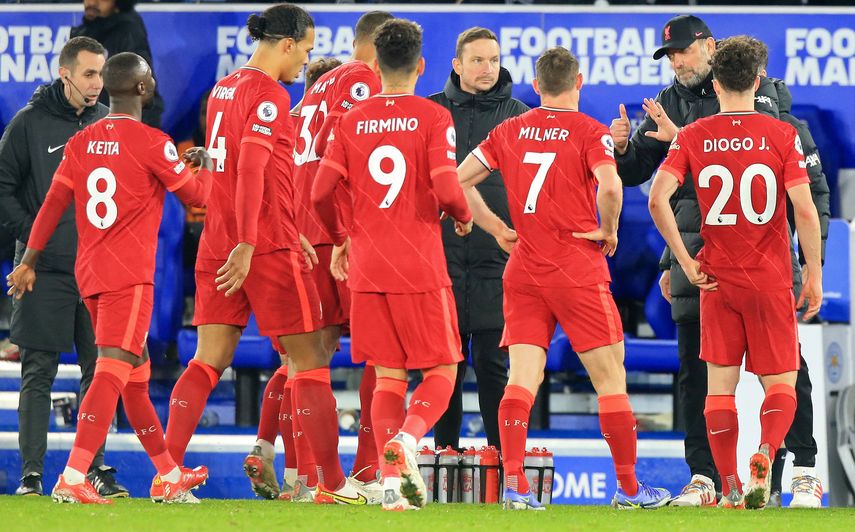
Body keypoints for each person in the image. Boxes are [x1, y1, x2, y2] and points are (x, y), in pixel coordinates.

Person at [162, 4, 378, 506]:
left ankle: (166, 473)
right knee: (309, 364)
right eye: (304, 49)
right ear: (286, 43)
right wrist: (252, 241)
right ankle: (330, 484)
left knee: (207, 361)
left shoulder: (224, 88)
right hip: (258, 248)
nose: (306, 60)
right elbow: (254, 170)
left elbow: (224, 165)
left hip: (220, 241)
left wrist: (274, 231)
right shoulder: (267, 94)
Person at [609, 14, 825, 506]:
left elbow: (657, 197)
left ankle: (728, 484)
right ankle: (765, 455)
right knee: (781, 377)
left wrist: (683, 260)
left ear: (712, 59)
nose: (677, 62)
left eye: (682, 52)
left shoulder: (693, 133)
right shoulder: (777, 131)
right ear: (753, 78)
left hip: (712, 273)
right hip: (769, 273)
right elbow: (808, 209)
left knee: (717, 386)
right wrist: (813, 273)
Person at [456, 46, 670, 511]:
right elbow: (612, 185)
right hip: (576, 269)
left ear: (536, 86)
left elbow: (456, 181)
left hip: (524, 269)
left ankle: (514, 484)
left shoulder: (508, 129)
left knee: (521, 380)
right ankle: (629, 489)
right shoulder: (590, 132)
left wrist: (495, 229)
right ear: (578, 82)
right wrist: (609, 228)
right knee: (610, 380)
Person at [6, 52, 213, 505]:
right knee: (110, 372)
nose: (155, 80)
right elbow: (198, 197)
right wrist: (211, 166)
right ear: (141, 89)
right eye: (150, 77)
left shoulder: (82, 141)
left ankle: (167, 475)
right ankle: (75, 474)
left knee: (135, 379)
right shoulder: (153, 143)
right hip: (129, 277)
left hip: (91, 274)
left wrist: (28, 262)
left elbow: (52, 206)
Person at [312, 18, 477, 511]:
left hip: (367, 265)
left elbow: (320, 192)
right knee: (444, 371)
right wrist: (463, 216)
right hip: (419, 264)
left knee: (388, 378)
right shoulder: (431, 117)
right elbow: (448, 189)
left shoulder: (351, 119)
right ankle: (407, 441)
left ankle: (389, 487)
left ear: (375, 65)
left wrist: (342, 237)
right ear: (421, 66)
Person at [254, 10, 394, 503]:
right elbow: (352, 148)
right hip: (341, 233)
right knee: (384, 351)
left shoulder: (313, 88)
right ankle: (367, 472)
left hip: (304, 230)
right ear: (378, 46)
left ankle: (304, 476)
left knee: (307, 361)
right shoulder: (359, 79)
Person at [0, 36, 128, 499]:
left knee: (100, 370)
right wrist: (33, 238)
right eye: (90, 74)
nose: (98, 84)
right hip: (43, 270)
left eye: (102, 74)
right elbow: (2, 189)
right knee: (39, 371)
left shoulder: (105, 122)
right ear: (65, 74)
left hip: (95, 271)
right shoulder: (28, 125)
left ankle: (91, 468)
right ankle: (31, 475)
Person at [246, 54, 344, 502]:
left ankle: (285, 466)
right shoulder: (343, 119)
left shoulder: (283, 118)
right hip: (330, 243)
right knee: (325, 364)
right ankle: (330, 477)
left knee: (292, 363)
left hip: (286, 246)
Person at [427, 27, 528, 450]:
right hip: (438, 260)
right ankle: (443, 458)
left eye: (493, 60)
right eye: (477, 61)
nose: (488, 69)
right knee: (445, 367)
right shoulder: (429, 112)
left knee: (492, 366)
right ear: (457, 65)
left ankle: (503, 465)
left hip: (497, 258)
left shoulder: (521, 115)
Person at [71, 0, 164, 127]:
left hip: (121, 130)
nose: (92, 2)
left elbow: (142, 87)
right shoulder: (81, 33)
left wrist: (141, 133)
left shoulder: (128, 31)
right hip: (90, 129)